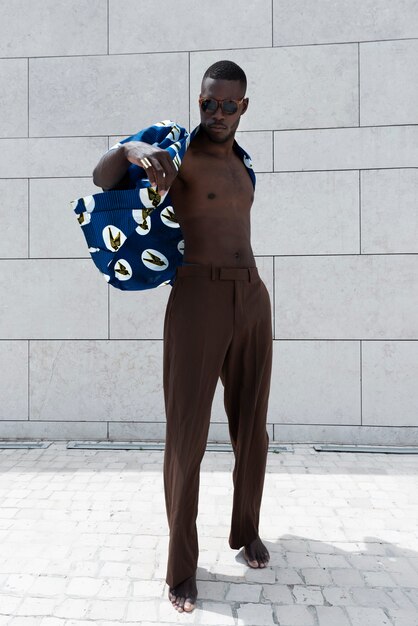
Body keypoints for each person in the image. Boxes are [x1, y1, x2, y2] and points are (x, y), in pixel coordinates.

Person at [92, 60, 272, 614]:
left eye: (228, 105)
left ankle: (245, 531)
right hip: (198, 296)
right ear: (199, 101)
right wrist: (129, 151)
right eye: (208, 103)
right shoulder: (176, 151)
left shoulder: (243, 163)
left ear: (244, 108)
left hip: (252, 296)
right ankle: (181, 569)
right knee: (188, 436)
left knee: (253, 428)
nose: (216, 114)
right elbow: (101, 179)